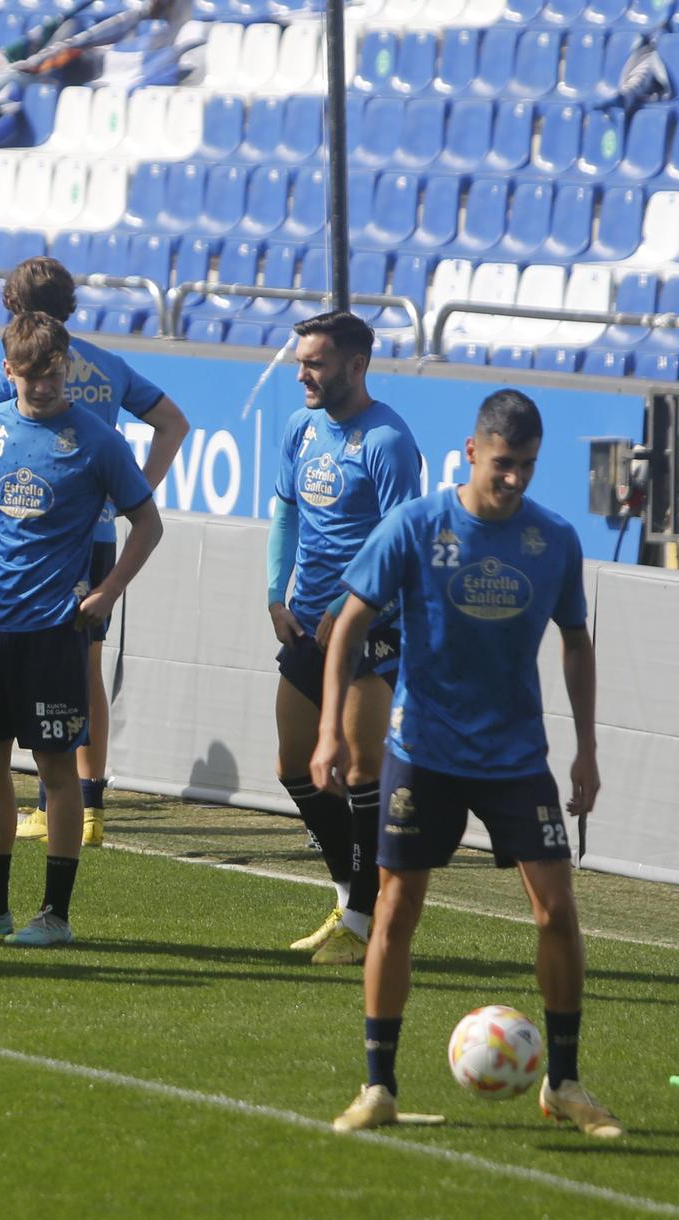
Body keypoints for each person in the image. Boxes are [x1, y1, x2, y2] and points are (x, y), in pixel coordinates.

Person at [315, 389, 620, 1139]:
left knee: (557, 909)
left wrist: (587, 746)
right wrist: (330, 730)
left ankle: (565, 1082)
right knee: (396, 909)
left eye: (528, 466)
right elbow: (348, 623)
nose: (515, 479)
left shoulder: (553, 540)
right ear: (474, 449)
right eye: (505, 462)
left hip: (517, 755)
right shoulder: (417, 526)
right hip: (426, 750)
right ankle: (379, 1085)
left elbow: (576, 641)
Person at [0, 312, 164, 947]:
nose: (45, 388)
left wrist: (108, 591)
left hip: (55, 630)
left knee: (56, 768)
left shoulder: (98, 440)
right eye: (31, 378)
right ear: (8, 372)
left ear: (68, 368)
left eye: (54, 375)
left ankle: (54, 914)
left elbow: (148, 523)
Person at [0, 256, 191, 847]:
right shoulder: (107, 363)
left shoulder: (13, 366)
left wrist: (131, 495)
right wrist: (128, 493)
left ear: (14, 308)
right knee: (84, 665)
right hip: (95, 536)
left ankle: (55, 800)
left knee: (49, 665)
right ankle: (87, 801)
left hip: (37, 539)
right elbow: (174, 423)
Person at [266, 311, 423, 966]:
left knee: (360, 771)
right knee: (296, 767)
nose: (302, 372)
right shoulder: (302, 428)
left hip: (370, 629)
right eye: (301, 360)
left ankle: (363, 918)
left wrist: (347, 605)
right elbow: (286, 511)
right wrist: (277, 593)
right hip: (305, 621)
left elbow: (399, 540)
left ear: (355, 365)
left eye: (316, 362)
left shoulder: (386, 440)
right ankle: (347, 898)